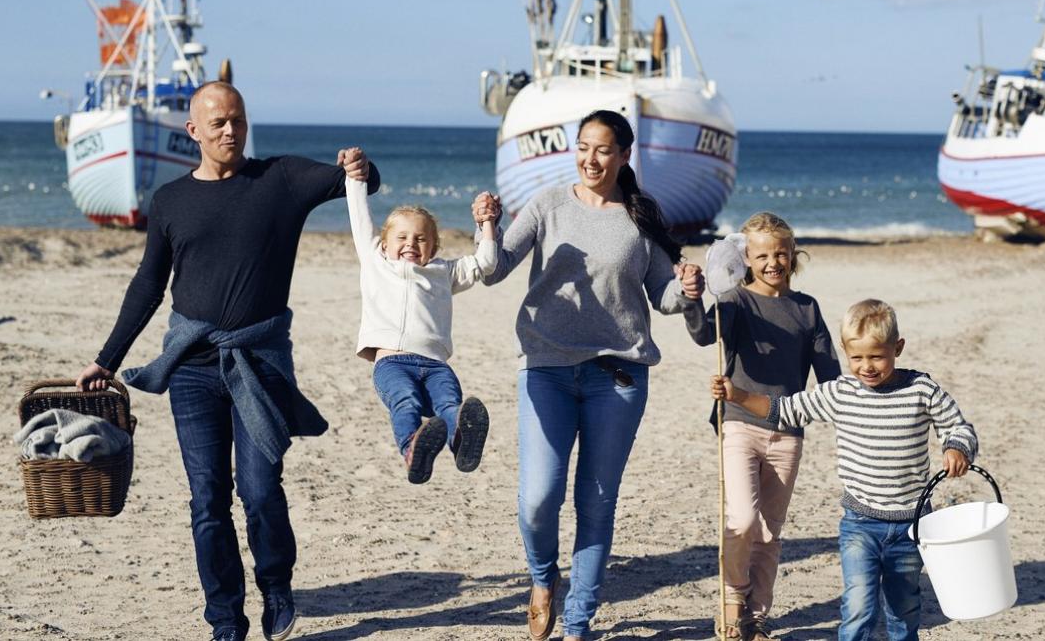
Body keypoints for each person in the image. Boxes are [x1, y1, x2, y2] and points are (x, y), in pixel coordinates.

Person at [75, 82, 380, 641]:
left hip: (259, 362)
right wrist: (107, 360)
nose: (229, 130)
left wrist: (358, 163)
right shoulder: (170, 201)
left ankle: (277, 587)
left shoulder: (280, 179)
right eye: (216, 123)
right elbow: (148, 285)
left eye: (237, 120)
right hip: (191, 365)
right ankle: (224, 620)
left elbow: (363, 182)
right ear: (193, 131)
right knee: (208, 499)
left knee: (261, 489)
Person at [474, 109, 704, 641]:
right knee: (538, 498)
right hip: (546, 368)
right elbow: (497, 268)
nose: (590, 159)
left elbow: (664, 297)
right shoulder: (548, 204)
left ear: (624, 156)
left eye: (602, 149)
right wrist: (488, 223)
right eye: (582, 147)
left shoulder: (641, 220)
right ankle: (541, 578)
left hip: (617, 377)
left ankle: (578, 622)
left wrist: (687, 287)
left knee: (596, 502)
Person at [711, 299, 979, 641]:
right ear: (845, 351)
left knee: (904, 608)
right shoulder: (840, 392)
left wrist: (956, 447)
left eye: (876, 357)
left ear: (898, 348)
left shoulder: (921, 390)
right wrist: (738, 395)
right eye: (857, 358)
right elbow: (786, 409)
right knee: (859, 606)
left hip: (911, 526)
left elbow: (959, 426)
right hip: (860, 525)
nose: (866, 367)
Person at [682, 212, 839, 641]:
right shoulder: (735, 300)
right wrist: (693, 299)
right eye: (763, 255)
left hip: (789, 432)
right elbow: (702, 334)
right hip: (739, 424)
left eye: (781, 253)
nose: (773, 262)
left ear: (794, 255)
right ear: (746, 259)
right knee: (743, 519)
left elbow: (830, 377)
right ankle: (732, 600)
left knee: (770, 530)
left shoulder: (807, 309)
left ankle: (757, 615)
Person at [342, 167, 499, 484]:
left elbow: (486, 263)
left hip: (437, 365)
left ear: (435, 248)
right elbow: (360, 218)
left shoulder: (444, 272)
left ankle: (461, 442)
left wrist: (487, 224)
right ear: (383, 244)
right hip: (392, 364)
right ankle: (413, 451)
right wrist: (355, 179)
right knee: (406, 402)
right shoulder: (376, 263)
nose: (411, 243)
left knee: (450, 404)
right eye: (401, 237)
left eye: (421, 238)